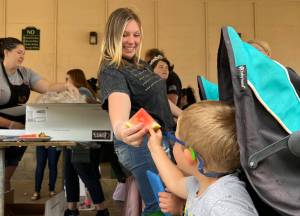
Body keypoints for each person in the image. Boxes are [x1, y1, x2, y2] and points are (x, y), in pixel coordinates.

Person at [98, 8, 181, 215]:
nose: (131, 41)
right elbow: (119, 102)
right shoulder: (112, 69)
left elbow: (158, 97)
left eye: (136, 35)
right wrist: (120, 128)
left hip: (158, 139)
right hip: (140, 143)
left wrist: (184, 114)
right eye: (124, 35)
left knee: (169, 202)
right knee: (160, 206)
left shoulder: (140, 64)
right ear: (113, 37)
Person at [147, 101, 258, 215]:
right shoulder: (200, 183)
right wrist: (155, 147)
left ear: (189, 155)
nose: (173, 143)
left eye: (175, 139)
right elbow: (175, 182)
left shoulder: (224, 202)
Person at [0, 37, 77, 191]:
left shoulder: (26, 73)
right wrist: (10, 124)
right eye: (19, 52)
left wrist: (67, 85)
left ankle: (5, 205)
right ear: (6, 52)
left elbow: (48, 87)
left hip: (18, 131)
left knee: (5, 179)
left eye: (24, 53)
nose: (22, 56)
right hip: (4, 126)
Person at [62, 69, 109, 216]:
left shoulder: (82, 91)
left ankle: (102, 210)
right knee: (69, 175)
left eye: (67, 79)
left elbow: (74, 113)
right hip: (72, 141)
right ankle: (71, 209)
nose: (65, 82)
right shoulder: (83, 92)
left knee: (87, 175)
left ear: (75, 79)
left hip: (82, 142)